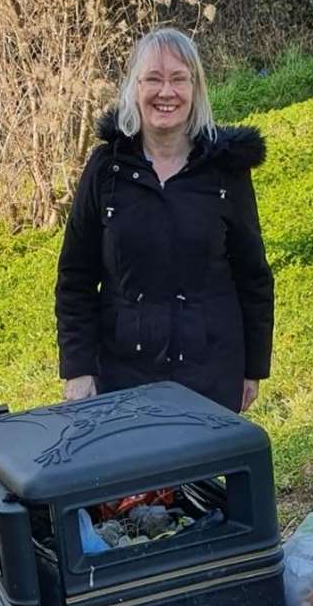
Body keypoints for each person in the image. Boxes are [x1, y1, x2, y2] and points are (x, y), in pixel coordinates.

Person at [56, 28, 274, 414]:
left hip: (211, 372)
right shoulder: (105, 170)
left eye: (178, 79)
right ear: (134, 88)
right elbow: (75, 277)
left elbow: (253, 275)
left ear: (196, 88)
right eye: (153, 79)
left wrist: (253, 368)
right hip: (123, 375)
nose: (166, 92)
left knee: (202, 475)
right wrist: (78, 369)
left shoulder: (227, 172)